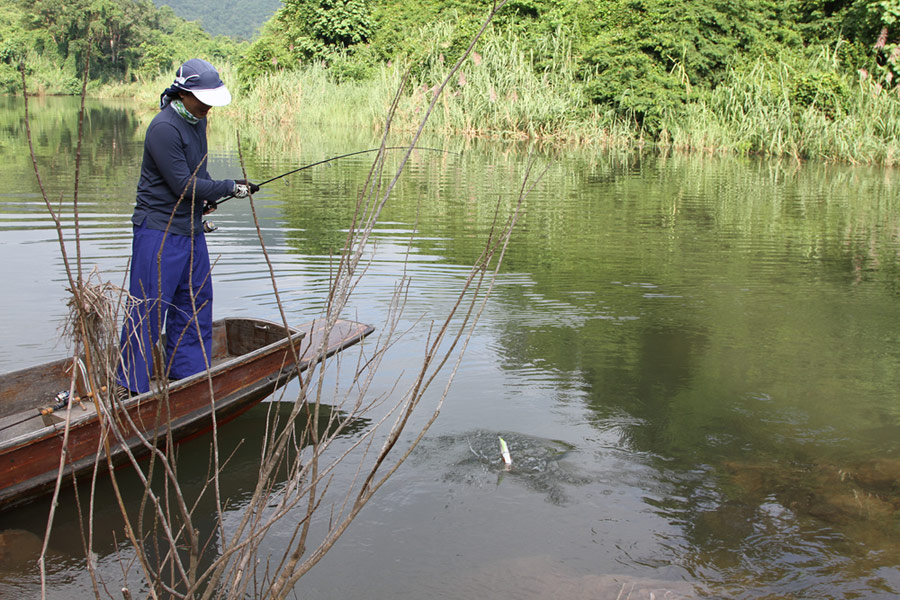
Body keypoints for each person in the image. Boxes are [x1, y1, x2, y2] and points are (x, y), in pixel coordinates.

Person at [116, 58, 259, 395]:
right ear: (184, 93)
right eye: (203, 99)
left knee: (195, 302)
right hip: (159, 231)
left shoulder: (196, 122)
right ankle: (130, 386)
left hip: (190, 229)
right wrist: (228, 187)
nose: (208, 106)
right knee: (148, 307)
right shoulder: (164, 128)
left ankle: (188, 374)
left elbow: (199, 176)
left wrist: (209, 197)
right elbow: (183, 184)